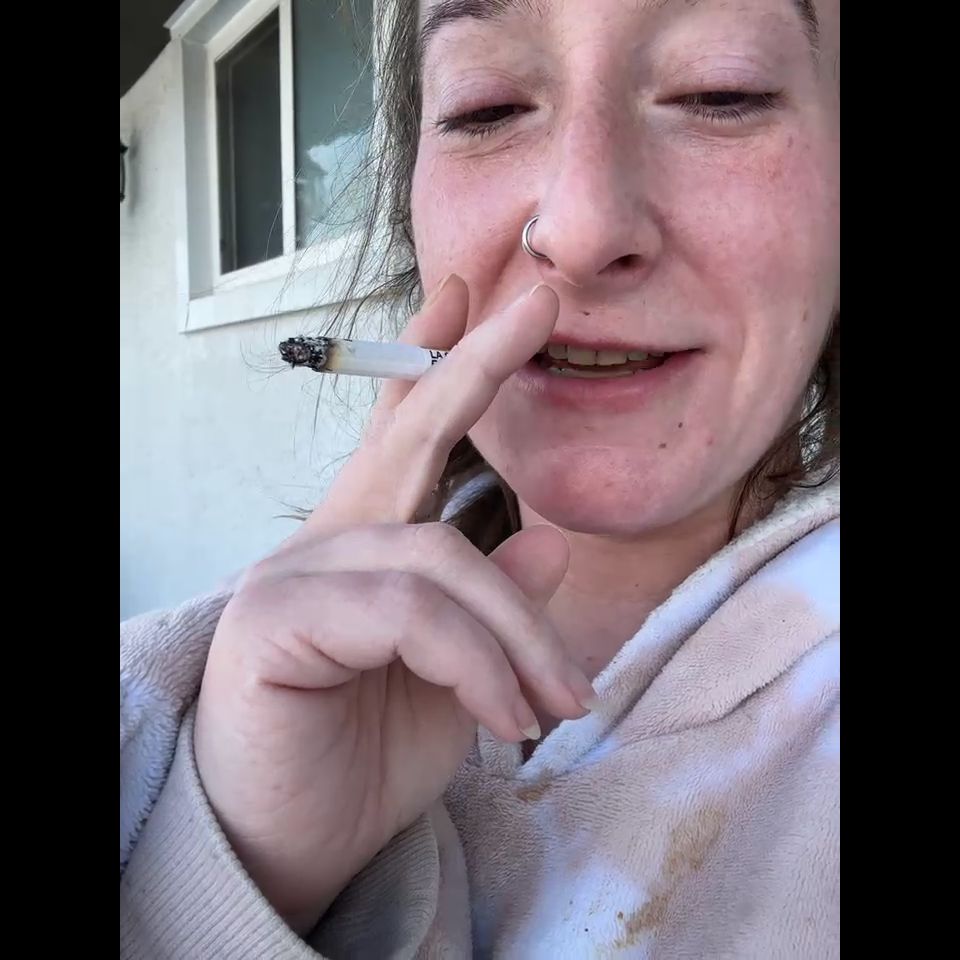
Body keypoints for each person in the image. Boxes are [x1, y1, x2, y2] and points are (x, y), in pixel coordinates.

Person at [120, 0, 840, 956]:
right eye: (484, 106)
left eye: (722, 91)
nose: (580, 227)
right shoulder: (173, 709)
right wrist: (241, 870)